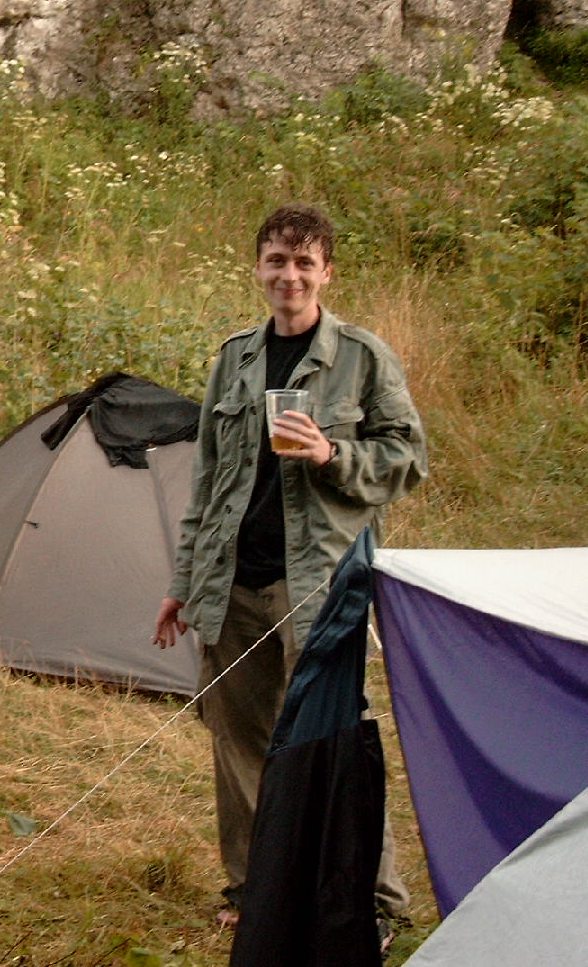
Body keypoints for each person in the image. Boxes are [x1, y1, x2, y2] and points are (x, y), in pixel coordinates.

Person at [153, 203, 427, 938]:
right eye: (277, 260)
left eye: (305, 262)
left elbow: (408, 458)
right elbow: (207, 482)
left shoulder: (363, 358)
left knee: (333, 740)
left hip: (319, 585)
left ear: (326, 272)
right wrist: (184, 582)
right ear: (259, 268)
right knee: (239, 745)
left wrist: (333, 455)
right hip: (232, 581)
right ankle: (255, 892)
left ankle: (373, 904)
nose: (290, 276)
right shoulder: (235, 358)